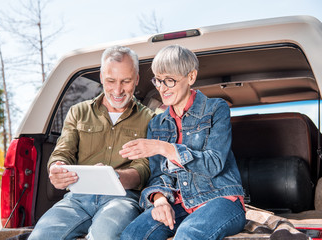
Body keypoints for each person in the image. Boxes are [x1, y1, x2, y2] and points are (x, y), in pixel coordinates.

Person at [119, 44, 246, 240]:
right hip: (179, 204)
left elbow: (213, 164)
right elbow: (158, 175)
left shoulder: (215, 109)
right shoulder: (157, 124)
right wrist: (159, 200)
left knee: (188, 233)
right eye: (158, 80)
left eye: (169, 80)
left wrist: (164, 148)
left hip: (221, 200)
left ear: (191, 77)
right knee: (132, 234)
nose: (162, 88)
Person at [28, 45, 155, 240]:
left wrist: (114, 176)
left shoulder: (150, 119)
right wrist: (57, 167)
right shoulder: (78, 112)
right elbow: (64, 151)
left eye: (126, 81)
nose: (118, 90)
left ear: (136, 79)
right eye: (111, 81)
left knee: (104, 235)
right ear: (102, 78)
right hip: (77, 199)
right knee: (40, 236)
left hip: (122, 199)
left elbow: (144, 169)